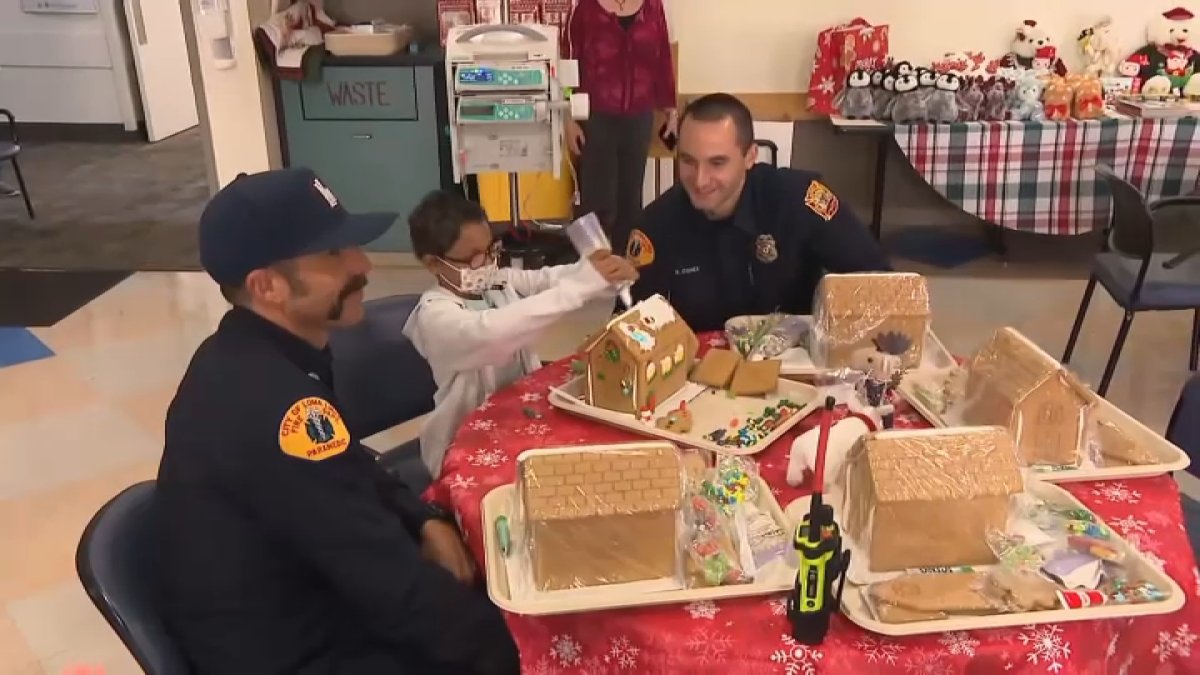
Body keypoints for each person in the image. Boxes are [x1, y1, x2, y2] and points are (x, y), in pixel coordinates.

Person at [156, 169, 520, 675]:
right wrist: (521, 658)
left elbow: (348, 465)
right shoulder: (275, 407)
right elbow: (385, 579)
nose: (362, 264)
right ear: (268, 287)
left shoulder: (254, 352)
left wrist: (423, 517)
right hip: (300, 652)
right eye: (333, 254)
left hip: (312, 603)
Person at [403, 190, 637, 476]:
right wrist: (580, 286)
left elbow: (546, 280)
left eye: (491, 250)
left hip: (515, 418)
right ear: (434, 263)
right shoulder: (435, 316)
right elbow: (493, 333)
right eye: (474, 258)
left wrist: (597, 270)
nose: (488, 264)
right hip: (464, 442)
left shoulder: (494, 281)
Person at [627, 93, 892, 332]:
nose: (700, 180)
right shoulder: (656, 224)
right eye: (687, 161)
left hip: (796, 366)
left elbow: (877, 280)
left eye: (717, 163)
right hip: (703, 373)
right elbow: (632, 326)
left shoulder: (799, 199)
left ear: (751, 156)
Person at [564, 0, 676, 255]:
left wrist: (671, 110)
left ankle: (627, 277)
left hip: (639, 117)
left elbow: (662, 58)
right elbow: (568, 63)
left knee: (630, 204)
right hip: (595, 118)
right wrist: (567, 119)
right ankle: (591, 274)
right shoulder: (586, 9)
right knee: (597, 204)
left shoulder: (653, 7)